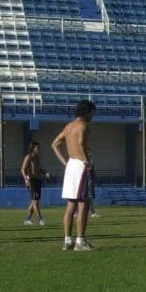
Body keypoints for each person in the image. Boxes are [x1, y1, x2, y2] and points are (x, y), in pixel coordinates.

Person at [52, 99, 97, 252]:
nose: (93, 115)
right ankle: (80, 241)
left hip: (71, 165)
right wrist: (86, 160)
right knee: (83, 204)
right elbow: (80, 143)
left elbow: (55, 144)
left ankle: (67, 241)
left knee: (71, 205)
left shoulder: (68, 126)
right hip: (81, 167)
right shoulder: (83, 126)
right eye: (92, 112)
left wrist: (65, 161)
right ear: (86, 112)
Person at [20, 140, 47, 226]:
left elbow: (39, 168)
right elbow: (23, 169)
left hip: (38, 180)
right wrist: (26, 179)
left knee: (34, 200)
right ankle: (40, 219)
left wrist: (44, 173)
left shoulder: (37, 157)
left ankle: (27, 219)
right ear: (33, 148)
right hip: (31, 180)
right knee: (35, 201)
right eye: (38, 147)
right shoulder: (29, 157)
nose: (39, 149)